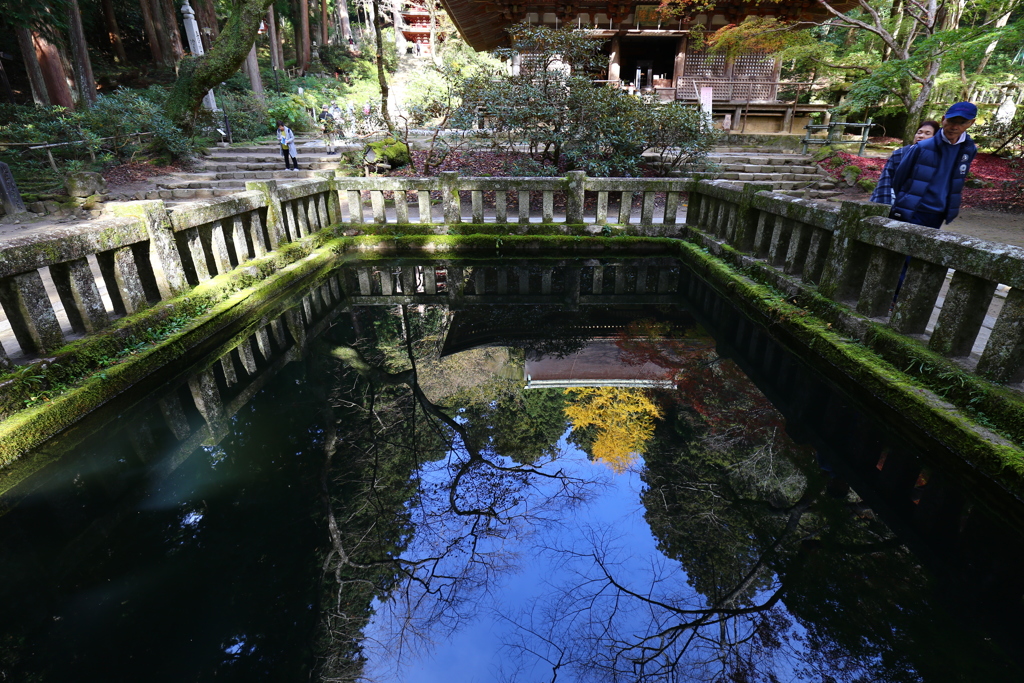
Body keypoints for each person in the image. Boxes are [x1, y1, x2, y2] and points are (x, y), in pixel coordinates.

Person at [888, 102, 978, 229]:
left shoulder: (968, 150)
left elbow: (958, 179)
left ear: (971, 123)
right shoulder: (922, 147)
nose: (955, 126)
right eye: (951, 120)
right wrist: (906, 200)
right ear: (943, 119)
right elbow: (899, 178)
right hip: (913, 209)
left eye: (962, 122)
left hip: (938, 212)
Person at [870, 120, 940, 205]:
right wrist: (884, 205)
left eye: (927, 133)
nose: (921, 136)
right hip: (893, 200)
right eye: (919, 132)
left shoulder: (938, 159)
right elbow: (885, 181)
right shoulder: (899, 154)